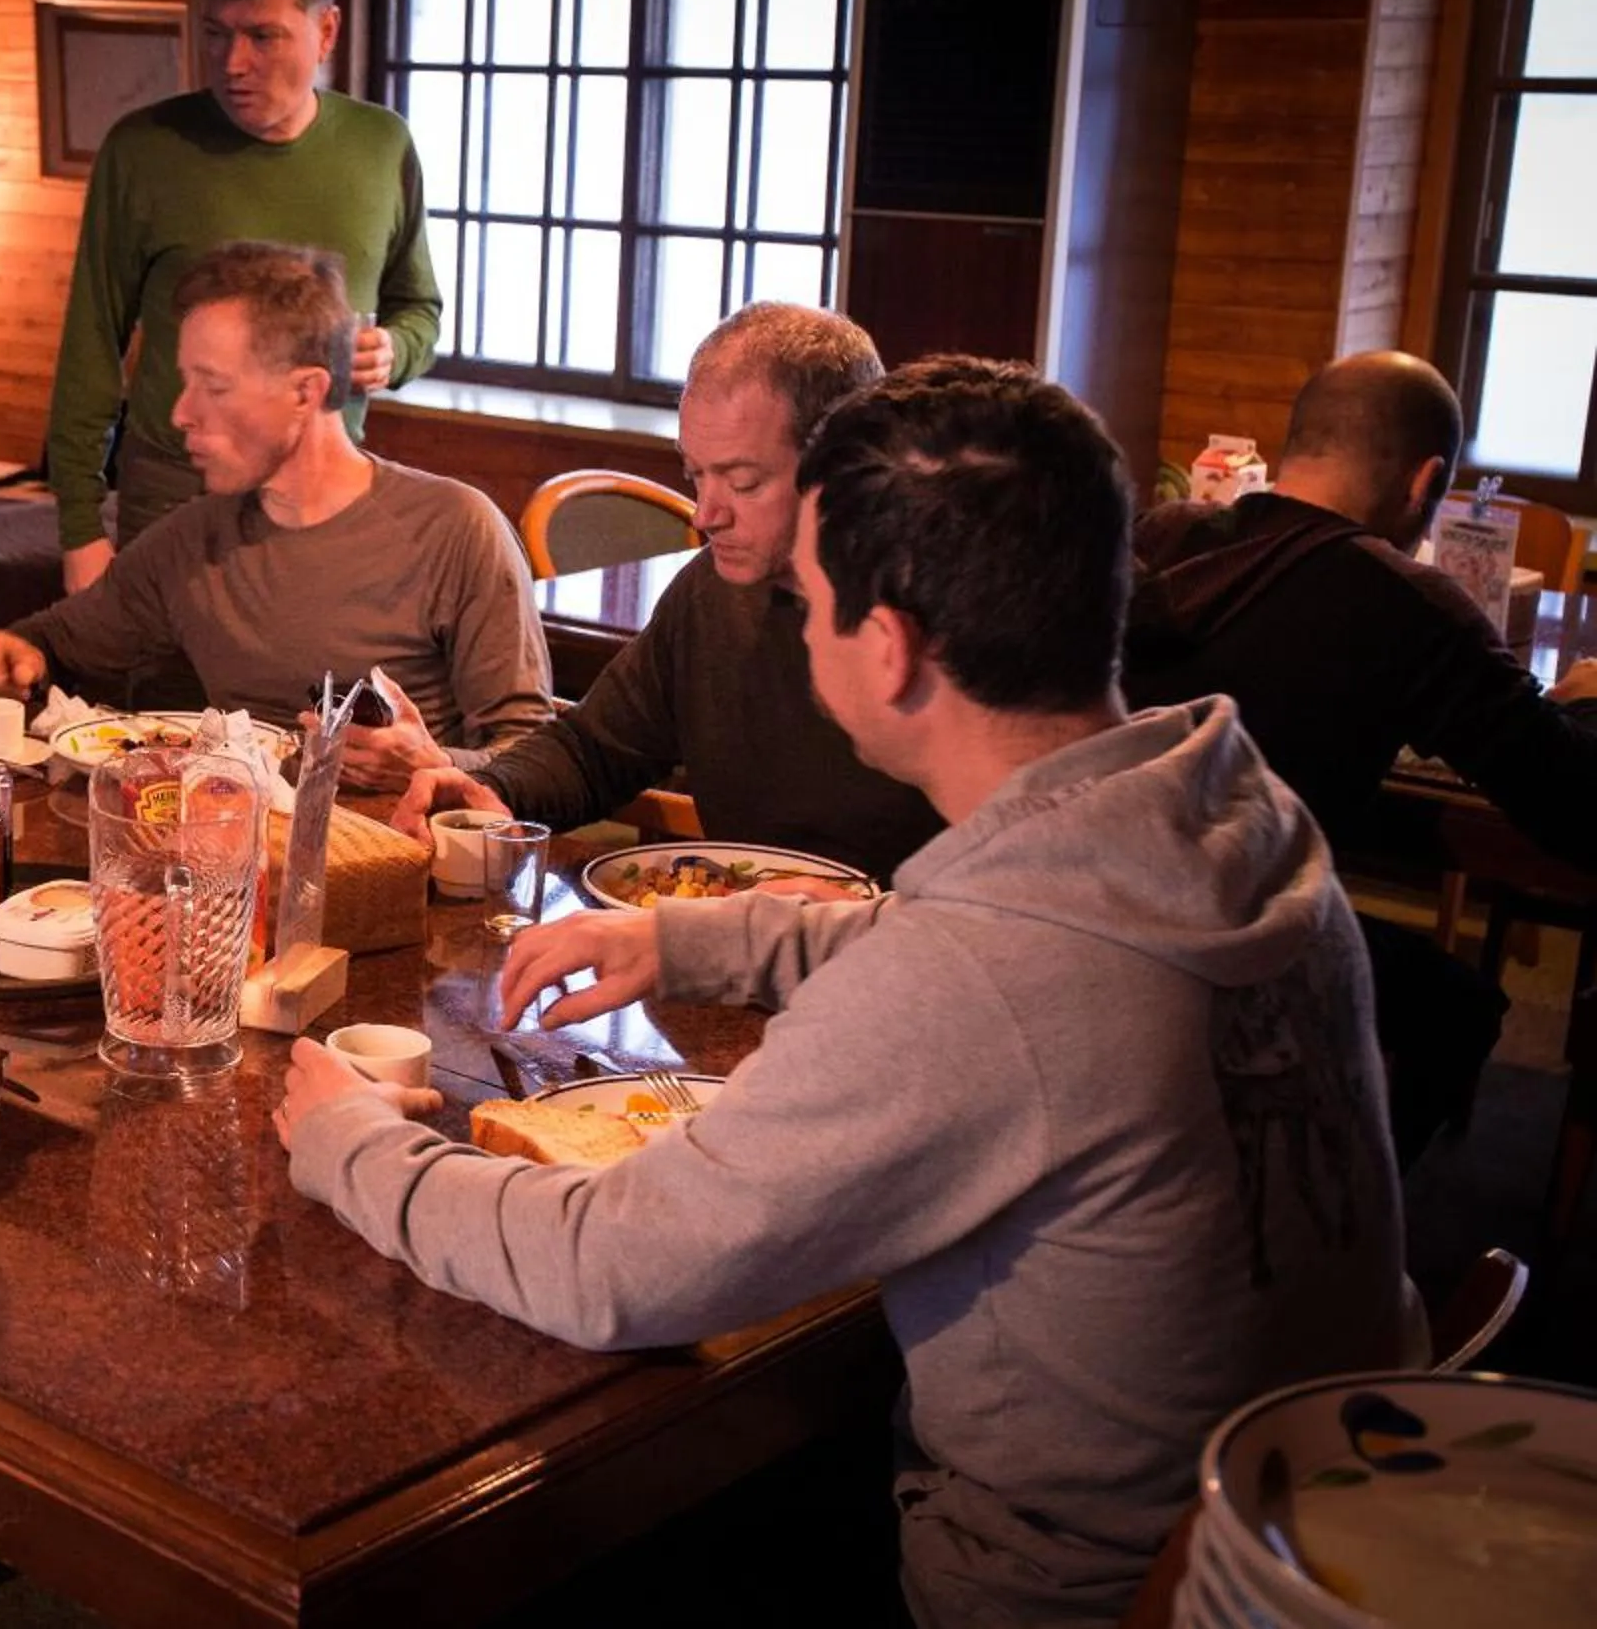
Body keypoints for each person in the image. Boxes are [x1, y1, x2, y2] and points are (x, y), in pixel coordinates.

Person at [280, 358, 1413, 1629]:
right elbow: (985, 951)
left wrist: (353, 1146)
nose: (796, 625)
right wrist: (695, 940)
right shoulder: (1237, 815)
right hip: (1320, 1530)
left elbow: (614, 1265)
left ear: (890, 648)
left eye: (813, 603)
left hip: (1078, 1590)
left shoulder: (980, 976)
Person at [1123, 349, 1597, 1159]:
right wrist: (1583, 702)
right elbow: (1573, 809)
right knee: (1460, 1007)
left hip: (1098, 910)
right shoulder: (1407, 601)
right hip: (1246, 944)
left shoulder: (1164, 535)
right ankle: (1347, 1220)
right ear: (1426, 483)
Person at [393, 302, 945, 882]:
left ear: (844, 466)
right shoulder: (713, 592)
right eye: (695, 474)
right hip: (740, 943)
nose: (706, 514)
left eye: (743, 482)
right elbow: (595, 751)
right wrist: (488, 789)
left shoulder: (943, 616)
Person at [0, 242, 549, 775]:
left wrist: (431, 763)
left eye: (213, 387)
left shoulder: (452, 527)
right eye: (184, 382)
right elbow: (56, 641)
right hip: (229, 861)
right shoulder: (192, 541)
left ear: (306, 391)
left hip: (395, 859)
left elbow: (531, 755)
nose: (181, 414)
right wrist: (12, 652)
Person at [46, 0, 443, 592]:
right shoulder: (144, 149)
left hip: (328, 489)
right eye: (216, 33)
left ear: (326, 31)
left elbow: (420, 309)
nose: (234, 63)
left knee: (307, 701)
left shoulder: (382, 146)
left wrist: (397, 351)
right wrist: (80, 529)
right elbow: (91, 342)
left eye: (263, 36)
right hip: (175, 487)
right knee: (160, 698)